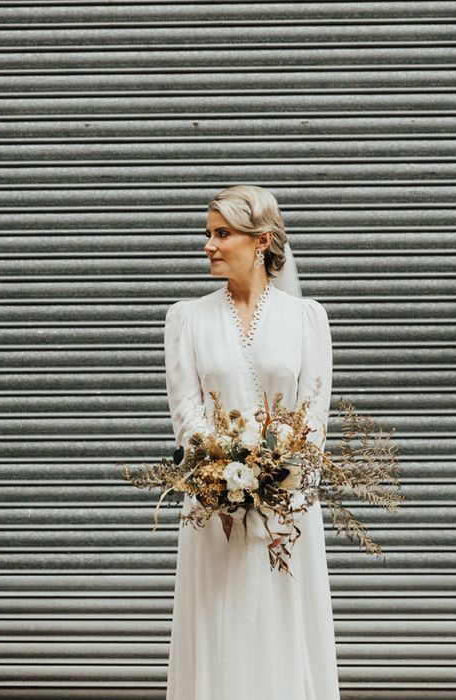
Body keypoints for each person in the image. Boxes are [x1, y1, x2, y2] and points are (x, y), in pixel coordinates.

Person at [164, 185, 339, 699]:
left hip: (288, 509)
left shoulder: (307, 320)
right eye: (207, 235)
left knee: (282, 623)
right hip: (213, 507)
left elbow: (314, 416)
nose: (209, 246)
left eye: (222, 234)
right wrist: (218, 486)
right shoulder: (187, 319)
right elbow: (187, 415)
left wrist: (279, 488)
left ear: (261, 240)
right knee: (220, 622)